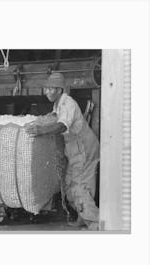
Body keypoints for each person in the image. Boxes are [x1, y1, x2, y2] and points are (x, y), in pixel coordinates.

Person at [25, 73, 100, 230]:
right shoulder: (58, 104)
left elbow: (62, 126)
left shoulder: (67, 104)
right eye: (46, 88)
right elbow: (55, 117)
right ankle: (83, 217)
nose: (46, 92)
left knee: (79, 187)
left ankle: (96, 225)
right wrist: (41, 120)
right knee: (68, 185)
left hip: (83, 149)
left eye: (50, 89)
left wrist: (41, 129)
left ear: (59, 90)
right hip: (73, 149)